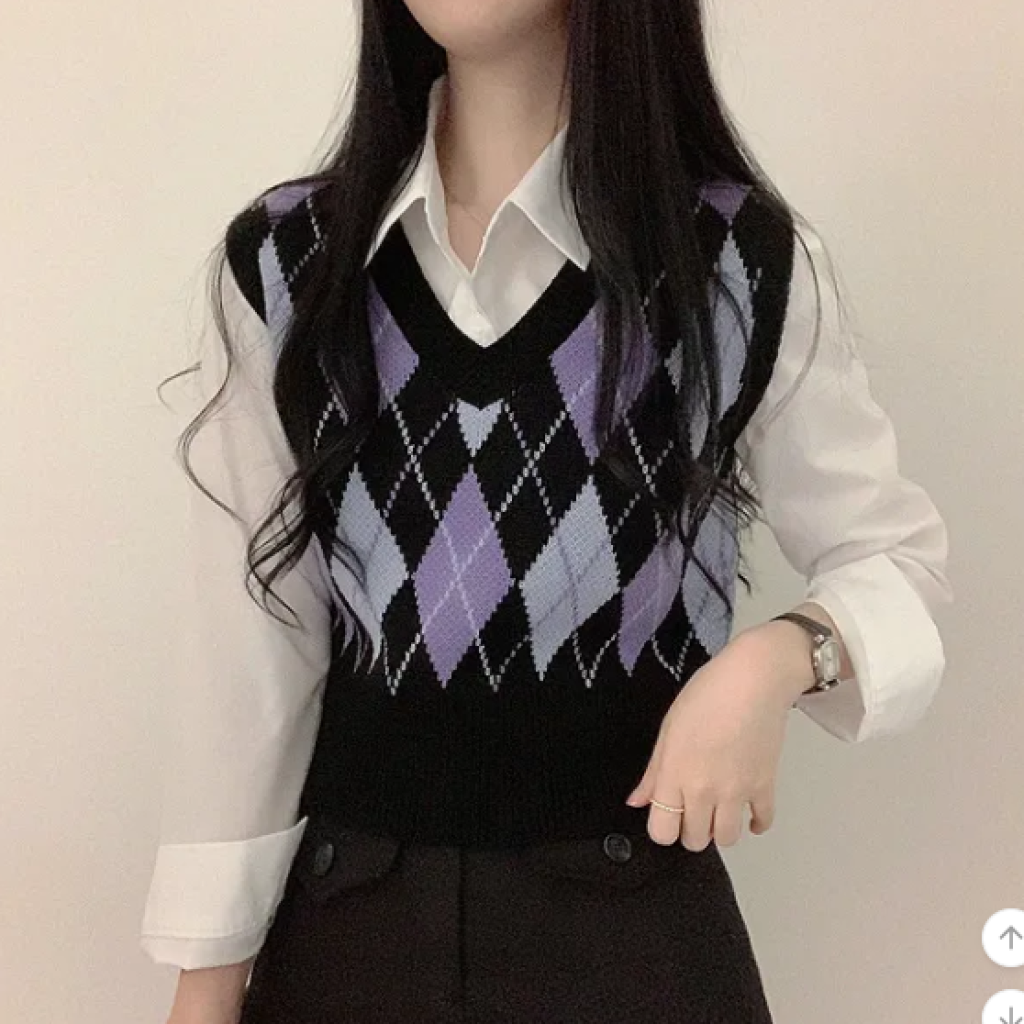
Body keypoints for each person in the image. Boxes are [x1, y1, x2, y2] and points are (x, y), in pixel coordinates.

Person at [142, 0, 953, 1021]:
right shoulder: (287, 265)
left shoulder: (733, 261)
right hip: (347, 941)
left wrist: (781, 656)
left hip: (635, 948)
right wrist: (206, 987)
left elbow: (896, 563)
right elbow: (253, 651)